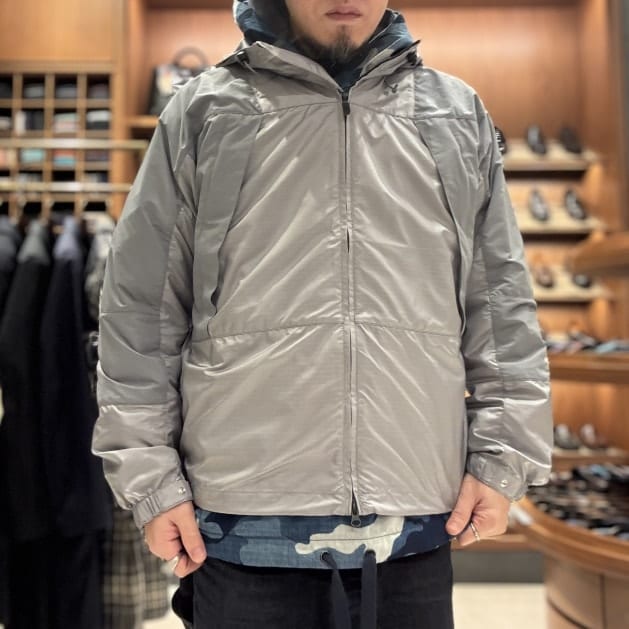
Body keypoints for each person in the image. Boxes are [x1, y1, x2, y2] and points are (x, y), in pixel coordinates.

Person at [92, 1, 553, 627]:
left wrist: (502, 461)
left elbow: (500, 307)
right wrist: (150, 478)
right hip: (240, 524)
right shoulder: (205, 111)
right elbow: (142, 310)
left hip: (413, 524)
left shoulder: (453, 113)